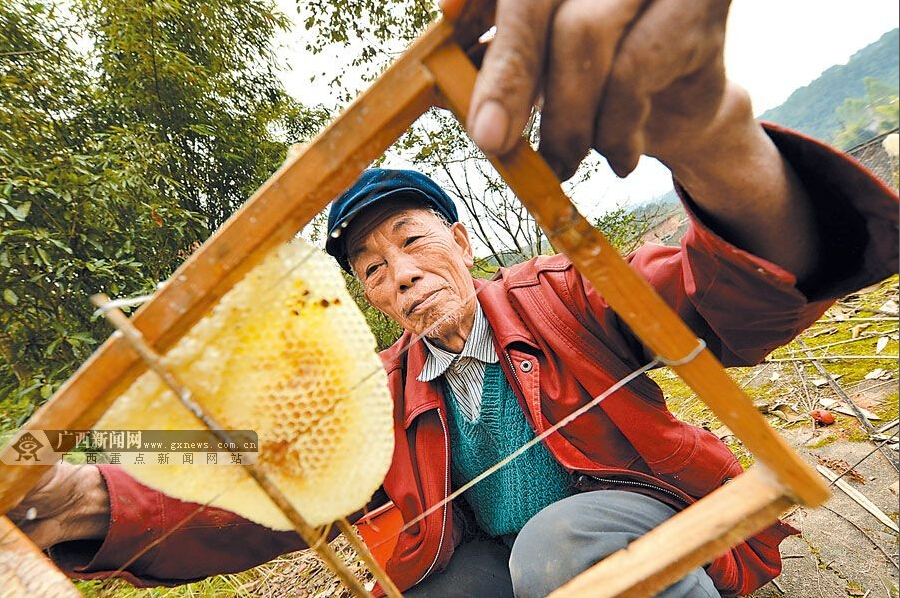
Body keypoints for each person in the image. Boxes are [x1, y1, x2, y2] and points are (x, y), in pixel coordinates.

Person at [10, 0, 899, 596]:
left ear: (462, 241)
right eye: (370, 268)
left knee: (559, 544)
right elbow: (263, 475)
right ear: (367, 299)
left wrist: (717, 145)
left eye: (411, 240)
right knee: (438, 585)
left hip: (633, 525)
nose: (398, 272)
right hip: (502, 558)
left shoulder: (560, 297)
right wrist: (80, 495)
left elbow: (724, 293)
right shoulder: (376, 391)